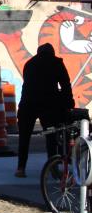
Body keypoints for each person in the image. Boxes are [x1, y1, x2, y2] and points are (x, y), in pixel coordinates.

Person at [15, 43, 74, 178]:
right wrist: (68, 102)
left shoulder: (29, 63)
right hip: (49, 104)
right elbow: (66, 84)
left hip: (28, 103)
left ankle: (21, 168)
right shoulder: (56, 63)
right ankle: (52, 168)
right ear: (52, 53)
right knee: (51, 137)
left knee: (24, 137)